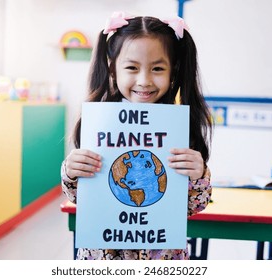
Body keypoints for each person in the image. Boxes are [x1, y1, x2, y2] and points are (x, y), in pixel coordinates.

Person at [61, 12, 213, 260]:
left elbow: (192, 206)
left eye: (157, 68)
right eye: (132, 67)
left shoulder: (179, 128)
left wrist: (199, 175)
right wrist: (71, 171)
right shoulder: (99, 123)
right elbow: (82, 197)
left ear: (173, 70)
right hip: (103, 259)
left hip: (162, 258)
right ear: (112, 68)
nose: (144, 81)